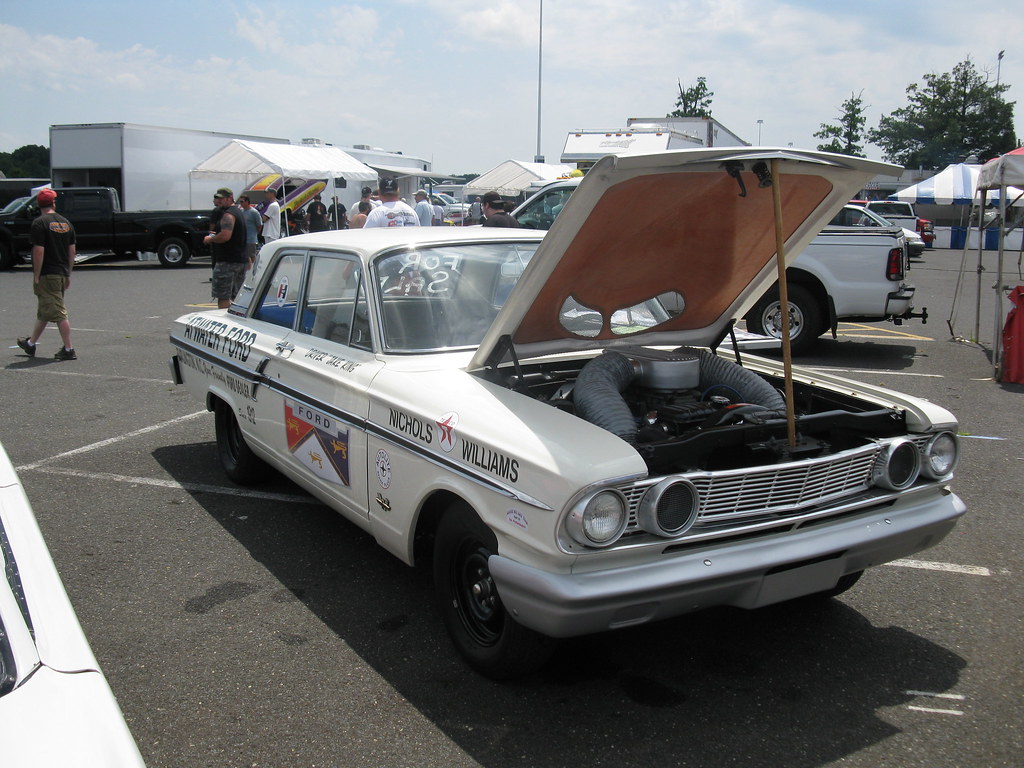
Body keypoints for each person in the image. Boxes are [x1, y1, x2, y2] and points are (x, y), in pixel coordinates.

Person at [17, 188, 78, 360]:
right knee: (45, 309)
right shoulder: (65, 223)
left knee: (58, 312)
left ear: (38, 205)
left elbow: (39, 251)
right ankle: (31, 344)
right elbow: (72, 251)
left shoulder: (39, 223)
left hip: (48, 273)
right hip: (61, 272)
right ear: (53, 203)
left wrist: (36, 274)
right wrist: (68, 273)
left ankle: (69, 349)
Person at [203, 187, 248, 309]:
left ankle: (224, 318)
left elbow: (225, 236)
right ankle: (236, 316)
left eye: (221, 199)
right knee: (236, 296)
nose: (219, 201)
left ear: (230, 198)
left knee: (223, 297)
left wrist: (210, 239)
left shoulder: (229, 214)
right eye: (217, 198)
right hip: (239, 260)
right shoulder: (238, 211)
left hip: (228, 261)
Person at [237, 194, 262, 270]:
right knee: (244, 255)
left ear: (247, 202)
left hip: (251, 239)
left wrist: (255, 233)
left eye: (242, 201)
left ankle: (254, 269)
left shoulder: (254, 212)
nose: (241, 203)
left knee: (251, 255)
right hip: (242, 238)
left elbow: (259, 225)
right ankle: (248, 269)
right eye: (240, 202)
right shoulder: (241, 211)